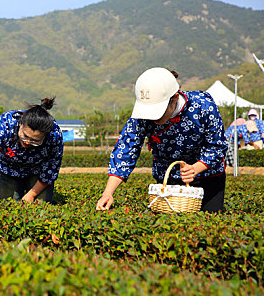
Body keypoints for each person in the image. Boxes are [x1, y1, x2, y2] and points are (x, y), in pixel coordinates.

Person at [96, 68, 227, 213]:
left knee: (208, 225)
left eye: (158, 110)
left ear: (175, 98)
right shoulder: (142, 115)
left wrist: (195, 168)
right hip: (167, 181)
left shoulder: (203, 105)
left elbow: (217, 146)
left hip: (207, 177)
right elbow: (126, 150)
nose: (153, 117)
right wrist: (108, 193)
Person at [0, 97, 64, 203]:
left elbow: (51, 170)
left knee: (41, 205)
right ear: (20, 124)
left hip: (37, 170)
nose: (27, 142)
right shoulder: (6, 122)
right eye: (25, 136)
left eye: (35, 141)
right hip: (8, 168)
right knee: (8, 204)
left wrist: (32, 194)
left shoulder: (54, 135)